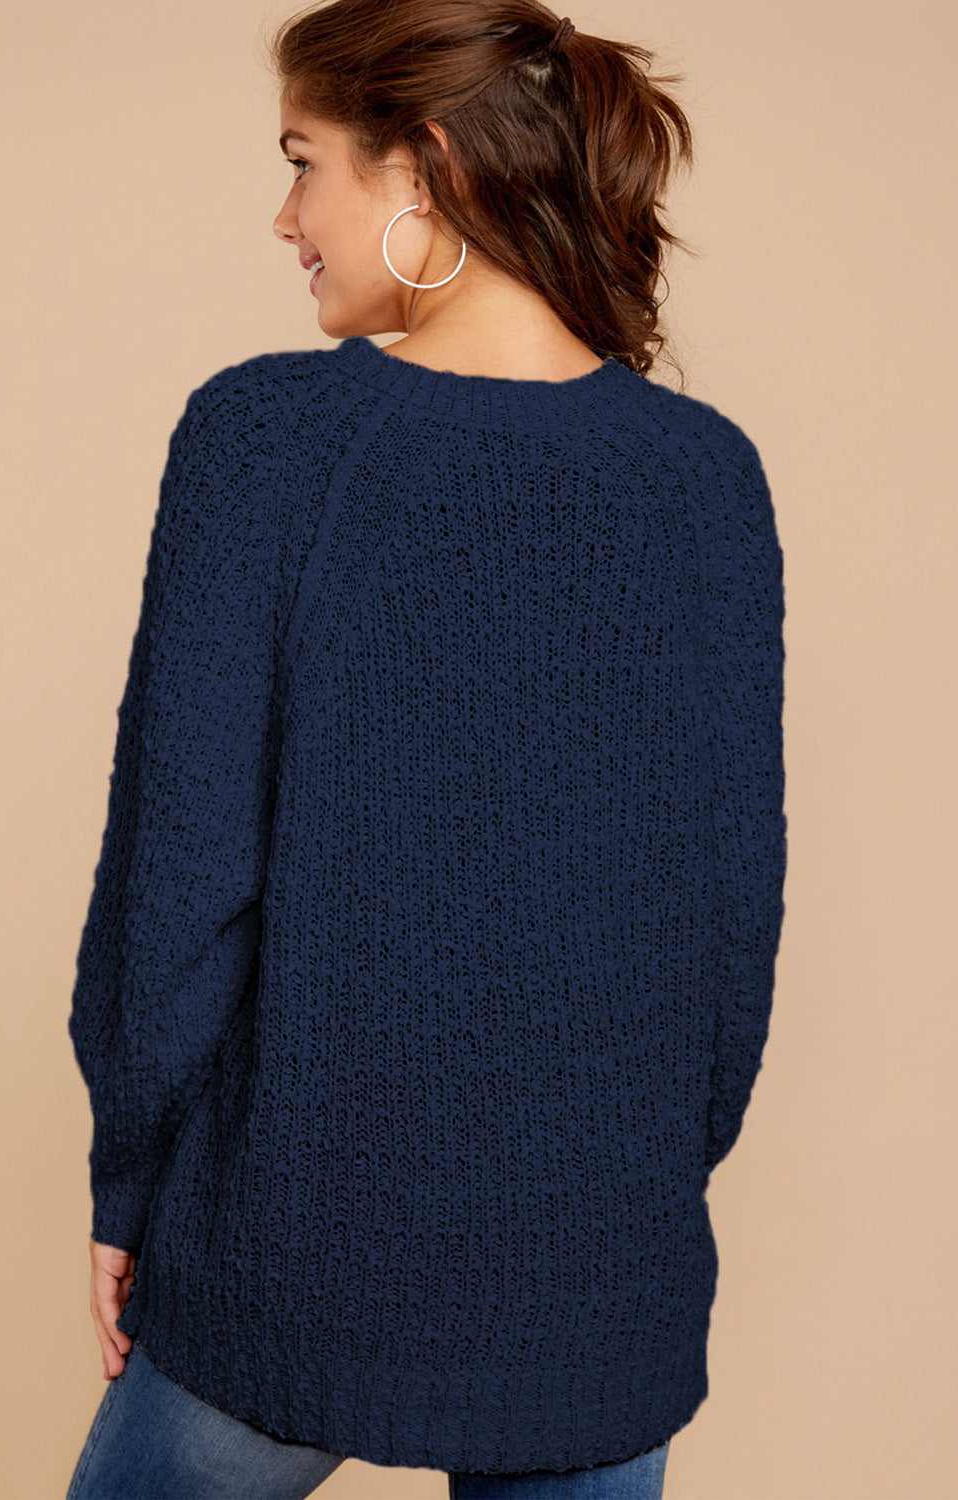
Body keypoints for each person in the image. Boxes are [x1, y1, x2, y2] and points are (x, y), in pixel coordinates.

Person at [65, 1, 787, 1496]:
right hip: (604, 1272)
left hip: (291, 1247)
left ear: (427, 166)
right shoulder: (706, 480)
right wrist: (634, 1188)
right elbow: (731, 919)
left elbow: (181, 880)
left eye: (303, 161)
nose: (285, 217)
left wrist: (130, 1176)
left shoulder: (263, 442)